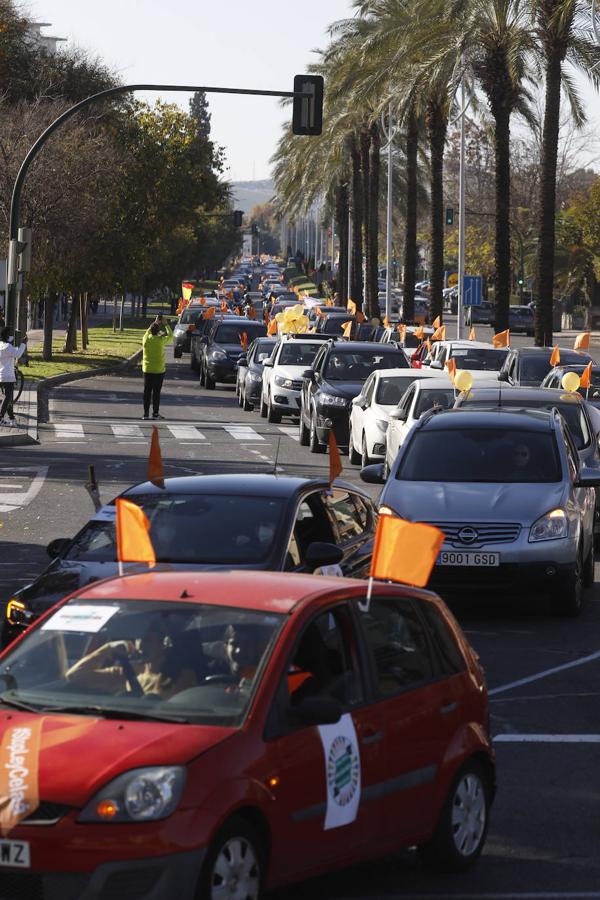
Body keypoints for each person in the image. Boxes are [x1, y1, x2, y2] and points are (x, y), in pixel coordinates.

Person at [66, 621, 196, 699]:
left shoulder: (182, 676)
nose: (141, 645)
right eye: (138, 639)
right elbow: (74, 675)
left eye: (148, 640)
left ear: (164, 644)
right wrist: (107, 649)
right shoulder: (126, 673)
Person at [141, 314, 172, 420]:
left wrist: (155, 322)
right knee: (156, 393)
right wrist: (166, 324)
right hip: (159, 370)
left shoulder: (146, 339)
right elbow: (170, 336)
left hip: (147, 369)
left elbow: (147, 332)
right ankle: (155, 413)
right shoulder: (161, 340)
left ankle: (145, 413)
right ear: (158, 331)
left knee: (147, 392)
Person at [0, 327, 27, 424]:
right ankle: (1, 417)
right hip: (8, 376)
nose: (12, 335)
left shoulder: (1, 345)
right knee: (7, 397)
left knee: (6, 398)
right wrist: (23, 343)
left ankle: (11, 418)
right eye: (11, 334)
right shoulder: (8, 346)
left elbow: (12, 353)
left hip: (1, 375)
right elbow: (18, 354)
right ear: (7, 336)